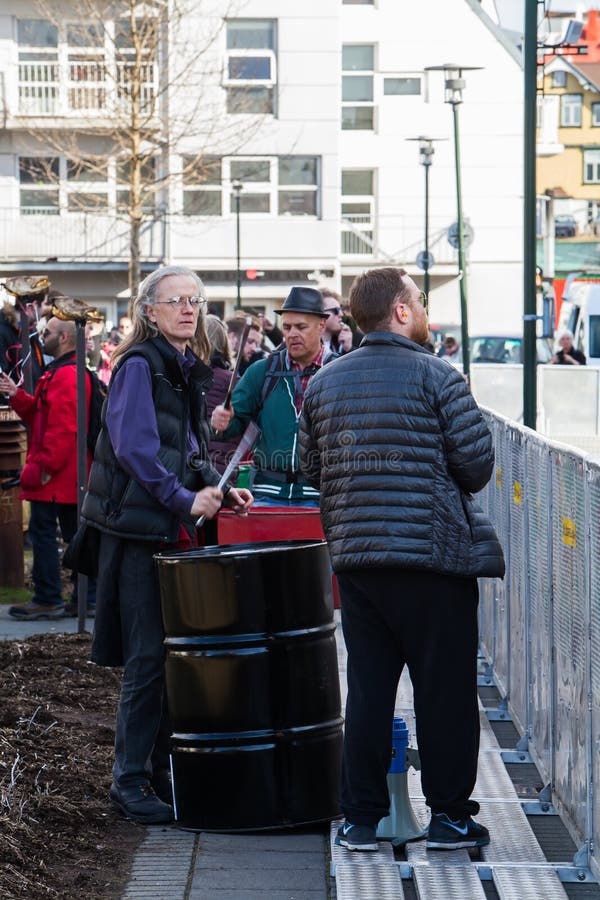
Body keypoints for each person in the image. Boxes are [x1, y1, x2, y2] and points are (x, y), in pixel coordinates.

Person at [299, 266, 504, 852]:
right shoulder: (441, 377)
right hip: (432, 560)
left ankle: (359, 820)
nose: (424, 311)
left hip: (359, 562)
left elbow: (312, 468)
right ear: (401, 311)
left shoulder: (325, 384)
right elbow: (476, 467)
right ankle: (449, 819)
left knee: (368, 690)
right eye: (419, 301)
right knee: (444, 693)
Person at [80, 265, 253, 825]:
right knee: (147, 660)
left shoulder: (181, 366)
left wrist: (218, 490)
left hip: (165, 528)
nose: (187, 309)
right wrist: (183, 498)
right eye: (175, 300)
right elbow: (134, 448)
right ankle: (129, 782)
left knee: (166, 659)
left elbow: (187, 449)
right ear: (149, 312)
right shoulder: (139, 364)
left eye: (194, 301)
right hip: (137, 533)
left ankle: (156, 776)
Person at [0, 318, 91, 620]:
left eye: (47, 332)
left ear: (64, 337)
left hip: (56, 474)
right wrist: (16, 394)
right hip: (62, 472)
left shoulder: (66, 375)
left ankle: (50, 597)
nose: (42, 336)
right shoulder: (65, 371)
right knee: (72, 534)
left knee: (49, 534)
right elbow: (42, 416)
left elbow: (63, 429)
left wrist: (44, 469)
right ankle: (84, 597)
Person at [212, 286, 336, 505]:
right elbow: (231, 424)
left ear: (321, 325)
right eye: (286, 327)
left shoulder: (340, 371)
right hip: (266, 493)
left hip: (322, 496)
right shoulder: (262, 371)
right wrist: (221, 422)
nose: (292, 334)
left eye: (301, 327)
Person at [320, 288, 358, 354]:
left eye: (341, 309)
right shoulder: (308, 345)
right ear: (320, 313)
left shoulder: (343, 341)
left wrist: (348, 349)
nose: (341, 314)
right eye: (336, 310)